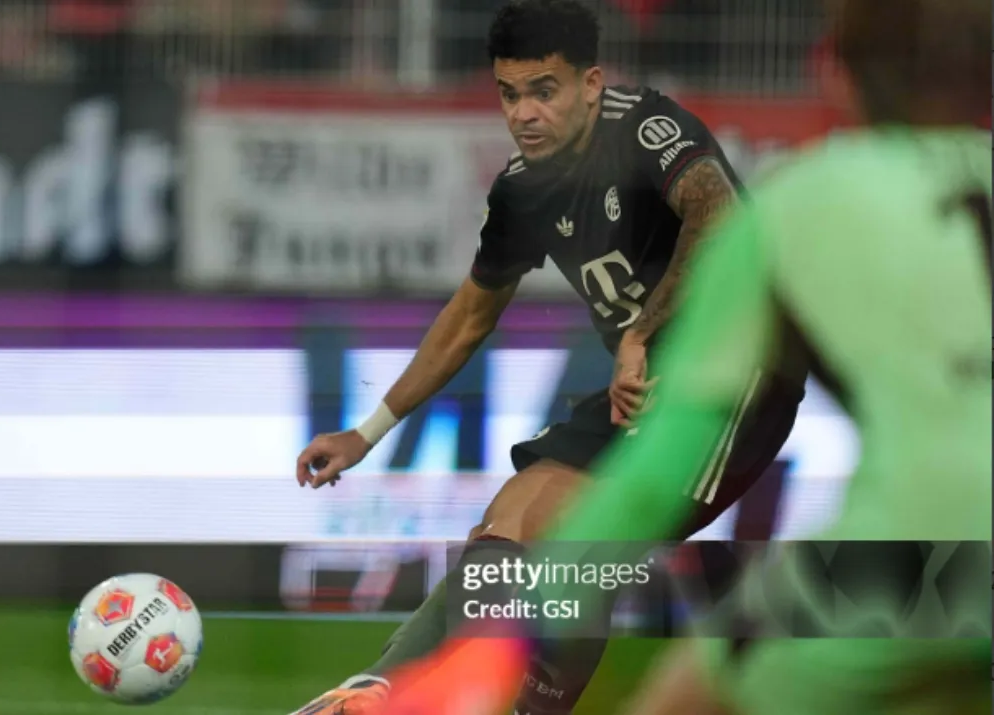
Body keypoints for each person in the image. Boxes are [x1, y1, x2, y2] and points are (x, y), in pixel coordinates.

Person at [376, 0, 993, 713]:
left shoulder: (790, 209)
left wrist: (519, 625)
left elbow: (650, 478)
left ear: (832, 74)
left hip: (913, 560)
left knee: (682, 697)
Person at [290, 1, 808, 713]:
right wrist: (367, 430)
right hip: (646, 389)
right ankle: (384, 690)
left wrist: (640, 333)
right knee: (510, 521)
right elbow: (470, 315)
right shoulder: (522, 190)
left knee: (580, 540)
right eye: (510, 94)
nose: (524, 113)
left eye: (544, 90)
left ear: (590, 84)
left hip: (738, 381)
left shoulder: (645, 129)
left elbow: (718, 212)